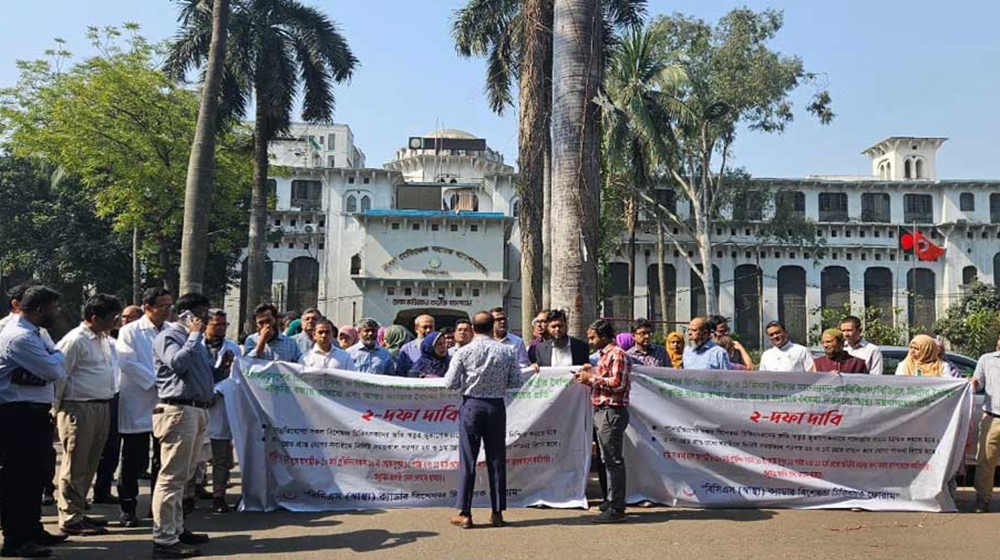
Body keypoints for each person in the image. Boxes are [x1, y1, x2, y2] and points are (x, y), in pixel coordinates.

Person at [0, 286, 69, 558]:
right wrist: (54, 357)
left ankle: (32, 529)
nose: (57, 312)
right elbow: (54, 369)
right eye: (54, 307)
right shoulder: (18, 337)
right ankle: (16, 539)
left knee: (35, 475)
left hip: (34, 412)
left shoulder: (36, 332)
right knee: (18, 478)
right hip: (17, 415)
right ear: (39, 309)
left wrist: (53, 357)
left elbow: (54, 364)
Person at [150, 293, 215, 558]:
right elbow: (177, 363)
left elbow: (201, 373)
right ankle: (164, 539)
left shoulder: (194, 341)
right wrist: (193, 336)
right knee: (171, 477)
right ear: (186, 314)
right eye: (201, 314)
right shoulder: (170, 336)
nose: (206, 319)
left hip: (196, 410)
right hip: (178, 410)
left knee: (185, 477)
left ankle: (176, 529)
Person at [444, 311, 523, 529]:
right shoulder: (507, 351)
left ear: (472, 327)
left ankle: (465, 512)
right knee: (497, 459)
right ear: (492, 326)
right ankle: (497, 512)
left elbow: (449, 383)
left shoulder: (463, 351)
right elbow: (516, 381)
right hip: (496, 406)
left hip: (472, 405)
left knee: (468, 459)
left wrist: (468, 385)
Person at [54, 293, 123, 536]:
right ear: (94, 318)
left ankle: (79, 510)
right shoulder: (75, 340)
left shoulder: (103, 338)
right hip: (78, 408)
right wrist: (54, 409)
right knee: (76, 464)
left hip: (102, 406)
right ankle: (70, 517)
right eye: (112, 317)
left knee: (91, 463)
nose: (116, 321)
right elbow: (59, 376)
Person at [116, 287, 173, 527]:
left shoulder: (173, 330)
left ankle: (157, 507)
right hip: (138, 401)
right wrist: (159, 382)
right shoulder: (130, 331)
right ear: (148, 307)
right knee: (133, 459)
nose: (169, 310)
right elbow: (127, 362)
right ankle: (128, 508)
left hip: (167, 401)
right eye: (164, 306)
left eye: (171, 305)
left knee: (164, 459)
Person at [576, 320, 631, 523]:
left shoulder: (617, 354)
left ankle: (617, 507)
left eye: (593, 337)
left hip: (611, 410)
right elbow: (608, 377)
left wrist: (590, 379)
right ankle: (611, 500)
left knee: (613, 460)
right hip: (603, 410)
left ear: (605, 336)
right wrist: (592, 373)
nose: (590, 341)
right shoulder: (605, 356)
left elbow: (617, 383)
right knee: (606, 459)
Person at [94, 304, 143, 505]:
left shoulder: (139, 340)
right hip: (112, 398)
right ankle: (101, 490)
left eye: (131, 318)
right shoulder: (107, 340)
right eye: (123, 317)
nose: (125, 321)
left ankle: (126, 493)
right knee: (109, 449)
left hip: (134, 400)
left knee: (132, 452)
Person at [202, 309, 240, 514]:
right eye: (217, 324)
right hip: (198, 404)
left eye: (224, 325)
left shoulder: (234, 349)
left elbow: (236, 377)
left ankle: (219, 495)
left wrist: (216, 392)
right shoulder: (194, 347)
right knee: (193, 457)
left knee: (221, 457)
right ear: (206, 325)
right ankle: (190, 494)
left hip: (220, 405)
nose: (221, 328)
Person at [971, 333, 1000, 513]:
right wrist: (971, 384)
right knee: (985, 461)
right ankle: (982, 499)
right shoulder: (987, 359)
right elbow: (978, 382)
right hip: (992, 417)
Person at [895, 334, 959, 377]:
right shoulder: (903, 365)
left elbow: (949, 386)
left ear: (928, 350)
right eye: (911, 347)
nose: (912, 351)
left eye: (917, 349)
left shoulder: (942, 366)